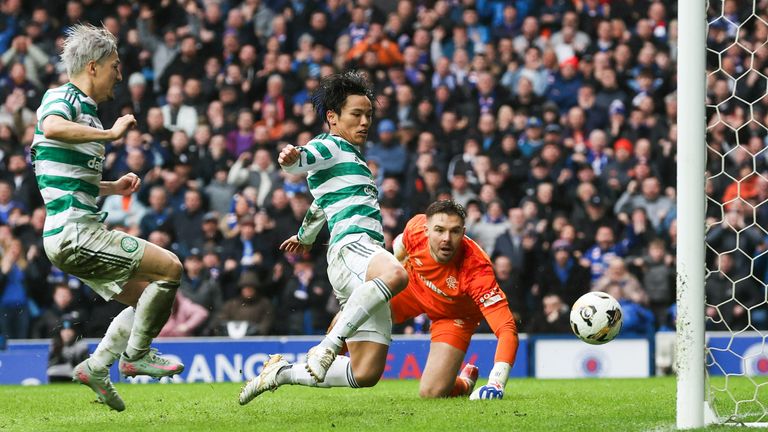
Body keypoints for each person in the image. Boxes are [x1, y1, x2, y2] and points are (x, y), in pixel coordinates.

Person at [31, 24, 184, 412]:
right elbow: (51, 126)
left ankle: (97, 367)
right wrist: (112, 135)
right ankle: (136, 356)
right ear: (93, 66)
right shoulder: (62, 97)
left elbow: (64, 178)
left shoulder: (90, 115)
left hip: (72, 233)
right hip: (75, 233)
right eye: (115, 66)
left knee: (147, 300)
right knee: (170, 268)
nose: (119, 74)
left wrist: (112, 188)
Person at [239, 71, 409, 405]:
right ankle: (328, 346)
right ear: (332, 117)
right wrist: (292, 159)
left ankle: (282, 372)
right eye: (356, 114)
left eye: (368, 115)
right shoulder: (331, 144)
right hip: (353, 247)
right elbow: (303, 158)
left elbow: (321, 204)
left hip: (359, 258)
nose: (364, 122)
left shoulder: (351, 157)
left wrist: (305, 236)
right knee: (397, 274)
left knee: (365, 373)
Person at [389, 200, 519, 399]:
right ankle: (335, 355)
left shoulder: (477, 270)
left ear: (463, 232)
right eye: (439, 230)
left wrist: (496, 383)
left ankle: (465, 383)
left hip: (453, 316)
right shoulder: (415, 228)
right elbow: (401, 244)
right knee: (362, 310)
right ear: (426, 230)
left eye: (455, 231)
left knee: (431, 392)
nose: (446, 239)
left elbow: (507, 329)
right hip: (413, 289)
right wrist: (398, 260)